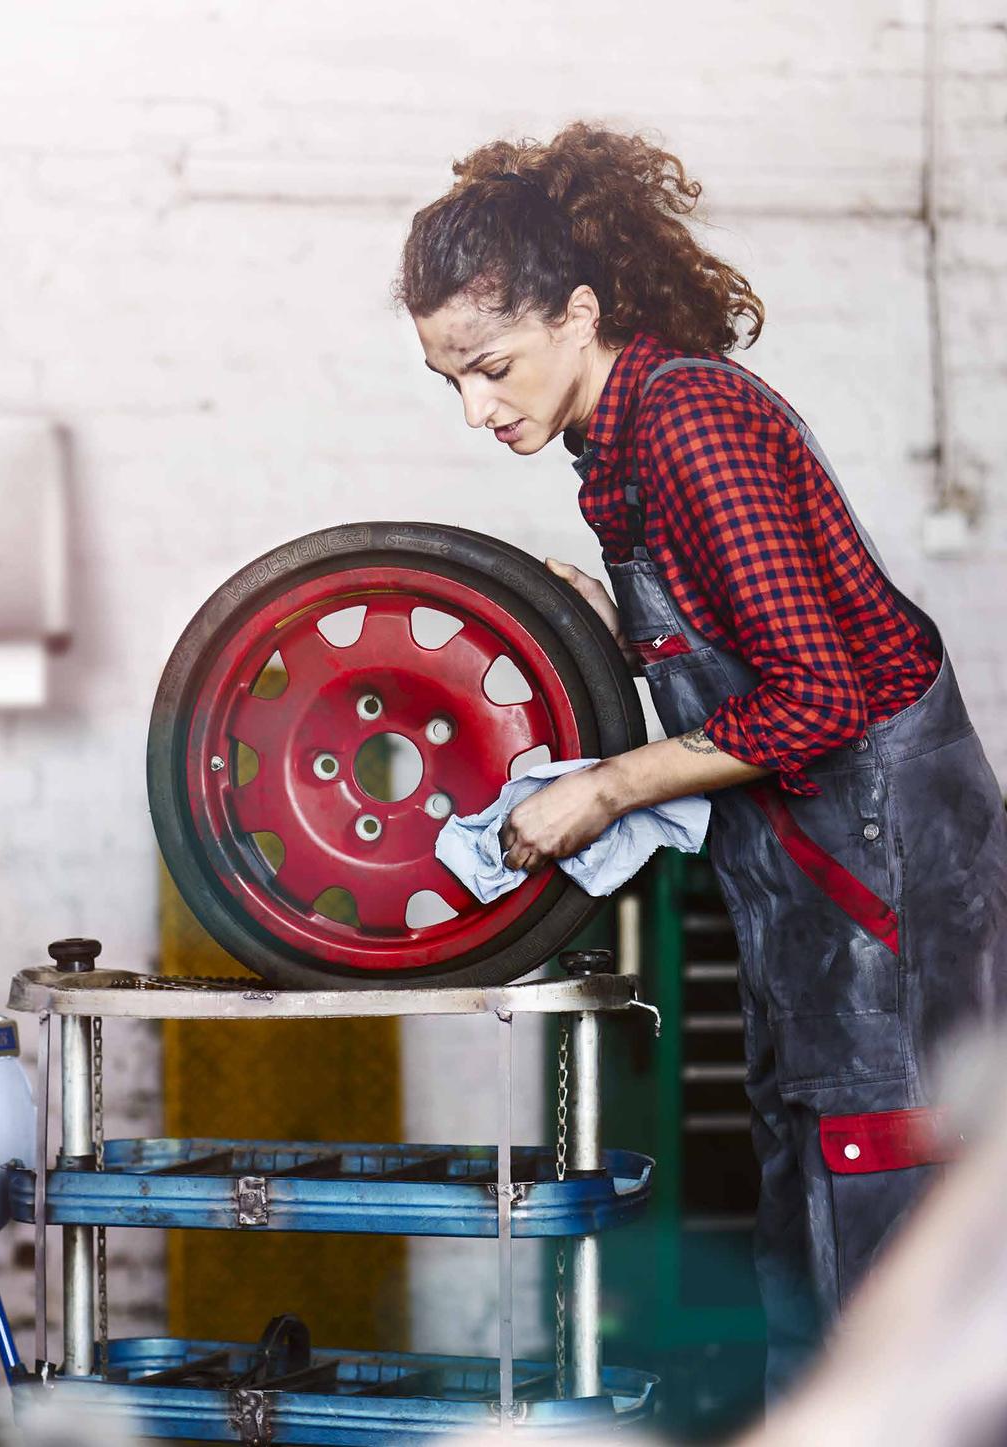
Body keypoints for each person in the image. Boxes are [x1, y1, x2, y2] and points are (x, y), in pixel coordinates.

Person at [395, 121, 1007, 1392]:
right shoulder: (612, 444)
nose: (476, 409)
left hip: (883, 910)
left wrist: (602, 790)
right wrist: (617, 626)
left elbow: (819, 699)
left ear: (577, 310)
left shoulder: (688, 425)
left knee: (881, 1285)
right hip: (813, 920)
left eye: (491, 367)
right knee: (807, 1252)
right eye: (449, 380)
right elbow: (754, 638)